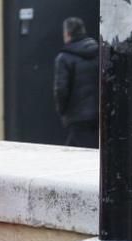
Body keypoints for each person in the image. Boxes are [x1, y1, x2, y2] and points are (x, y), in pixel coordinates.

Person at [53, 16, 100, 149]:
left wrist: (63, 111)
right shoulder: (98, 52)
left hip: (78, 116)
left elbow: (61, 89)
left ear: (67, 34)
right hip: (98, 113)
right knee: (75, 148)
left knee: (86, 154)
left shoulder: (64, 58)